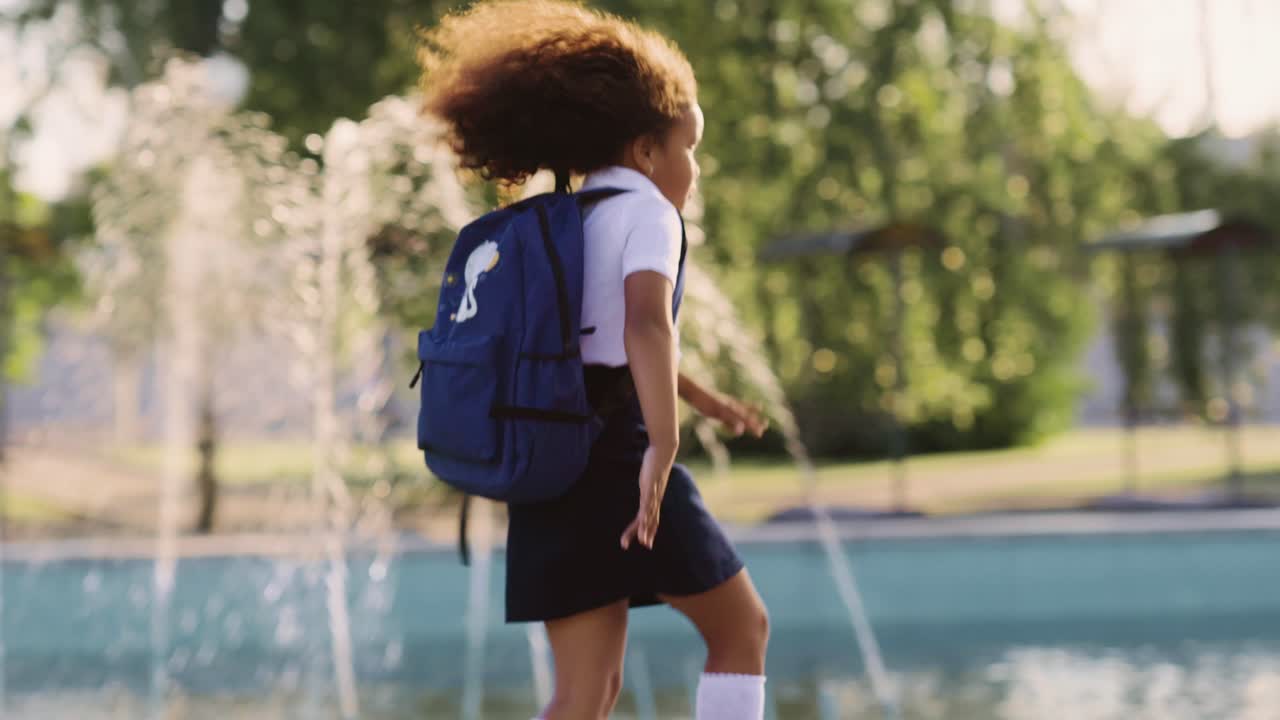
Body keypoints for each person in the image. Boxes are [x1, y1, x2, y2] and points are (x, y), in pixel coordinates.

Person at [419, 2, 770, 717]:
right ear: (646, 150)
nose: (693, 169)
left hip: (552, 460)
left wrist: (704, 399)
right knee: (742, 631)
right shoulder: (649, 212)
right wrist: (664, 447)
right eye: (689, 147)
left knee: (585, 694)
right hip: (620, 458)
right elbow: (644, 323)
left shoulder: (569, 216)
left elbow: (595, 341)